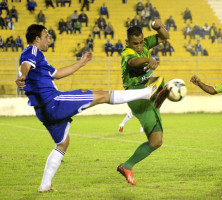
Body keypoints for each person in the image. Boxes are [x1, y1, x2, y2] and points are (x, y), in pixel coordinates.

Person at [15, 24, 164, 193]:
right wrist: (23, 75)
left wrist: (81, 63)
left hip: (43, 110)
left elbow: (57, 74)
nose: (49, 38)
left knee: (63, 144)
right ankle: (147, 92)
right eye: (46, 35)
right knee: (101, 95)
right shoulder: (31, 52)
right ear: (37, 39)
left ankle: (45, 186)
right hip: (54, 101)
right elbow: (25, 65)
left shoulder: (40, 58)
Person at [117, 19, 170, 185]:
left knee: (157, 141)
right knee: (160, 84)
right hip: (136, 95)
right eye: (135, 44)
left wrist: (160, 27)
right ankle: (127, 166)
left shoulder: (146, 43)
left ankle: (126, 166)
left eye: (141, 42)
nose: (139, 47)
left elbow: (165, 37)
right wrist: (148, 60)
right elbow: (133, 62)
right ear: (127, 42)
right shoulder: (127, 53)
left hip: (147, 92)